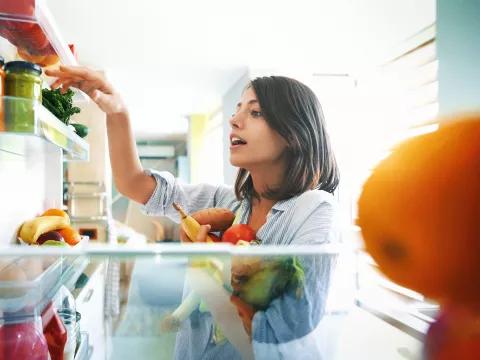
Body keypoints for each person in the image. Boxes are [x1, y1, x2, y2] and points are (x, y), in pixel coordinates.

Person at [46, 66, 342, 359]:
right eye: (238, 109)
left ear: (293, 132)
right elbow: (133, 183)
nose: (234, 119)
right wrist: (117, 111)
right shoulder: (228, 201)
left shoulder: (315, 209)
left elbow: (275, 339)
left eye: (255, 112)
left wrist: (204, 272)